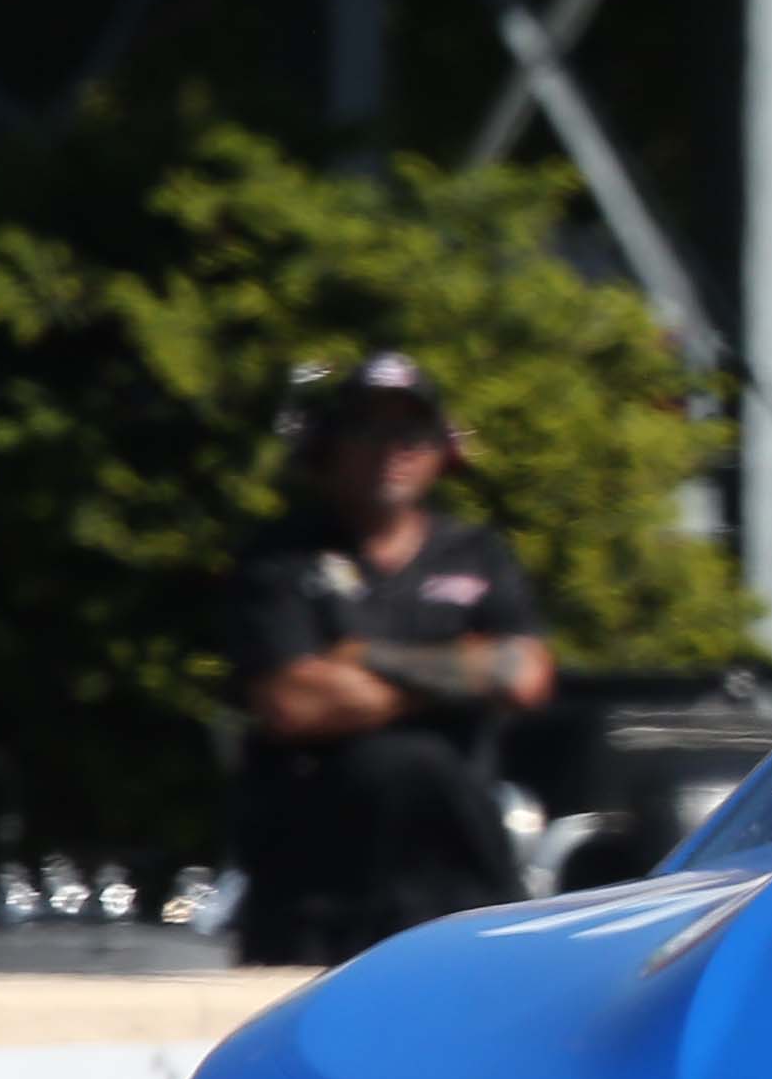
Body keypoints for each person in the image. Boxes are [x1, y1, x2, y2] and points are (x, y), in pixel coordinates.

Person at [227, 352, 555, 967]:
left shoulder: (477, 554)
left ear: (440, 449)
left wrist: (368, 660)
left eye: (412, 433)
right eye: (369, 430)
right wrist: (461, 672)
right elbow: (292, 702)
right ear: (331, 445)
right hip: (316, 885)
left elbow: (525, 674)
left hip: (457, 882)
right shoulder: (282, 558)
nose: (393, 450)